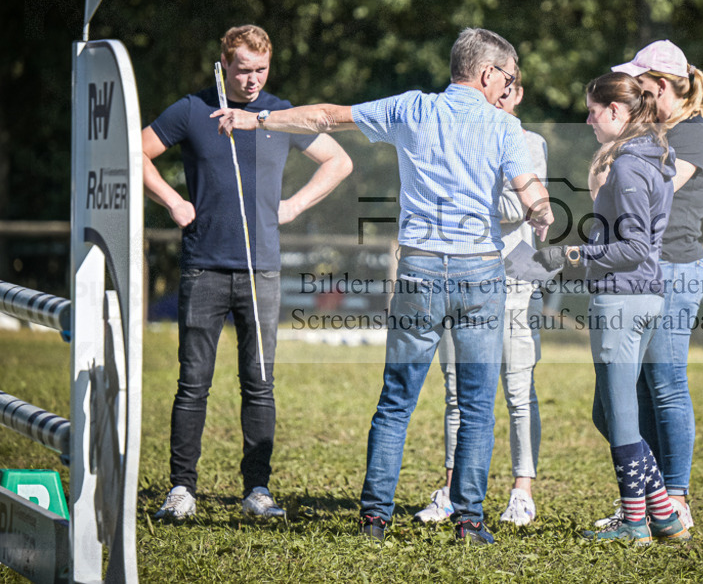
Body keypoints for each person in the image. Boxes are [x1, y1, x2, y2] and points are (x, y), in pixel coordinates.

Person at [212, 28, 554, 545]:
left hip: (419, 270)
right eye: (506, 77)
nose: (508, 88)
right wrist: (542, 209)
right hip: (480, 274)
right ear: (488, 74)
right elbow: (529, 189)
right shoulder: (503, 127)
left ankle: (375, 517)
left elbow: (325, 115)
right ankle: (469, 521)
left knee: (397, 399)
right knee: (480, 404)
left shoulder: (413, 109)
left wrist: (256, 117)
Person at [145, 24, 353, 520]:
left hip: (262, 270)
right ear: (223, 65)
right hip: (203, 268)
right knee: (193, 383)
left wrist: (294, 205)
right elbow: (135, 151)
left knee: (259, 384)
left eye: (261, 69)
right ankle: (181, 490)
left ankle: (257, 490)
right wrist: (174, 201)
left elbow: (338, 160)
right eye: (243, 70)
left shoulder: (280, 114)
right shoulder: (191, 110)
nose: (253, 79)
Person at [534, 72, 687, 544]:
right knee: (607, 414)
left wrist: (574, 253)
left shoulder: (627, 166)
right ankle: (661, 512)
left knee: (619, 414)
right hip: (640, 295)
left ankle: (635, 522)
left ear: (616, 112)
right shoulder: (654, 159)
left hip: (622, 295)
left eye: (593, 110)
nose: (588, 119)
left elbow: (634, 246)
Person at [595, 40, 703, 537]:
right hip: (644, 271)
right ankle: (649, 502)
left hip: (673, 269)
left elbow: (650, 198)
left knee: (665, 387)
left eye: (640, 84)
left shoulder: (691, 137)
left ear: (660, 86)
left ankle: (675, 499)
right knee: (621, 403)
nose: (633, 92)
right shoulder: (658, 134)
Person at [415, 63, 547, 527]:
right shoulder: (462, 134)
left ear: (517, 94)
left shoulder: (530, 144)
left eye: (508, 91)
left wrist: (465, 195)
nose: (498, 97)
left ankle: (521, 490)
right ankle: (450, 489)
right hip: (461, 274)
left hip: (511, 278)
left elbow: (519, 208)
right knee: (457, 390)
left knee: (517, 388)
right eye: (496, 89)